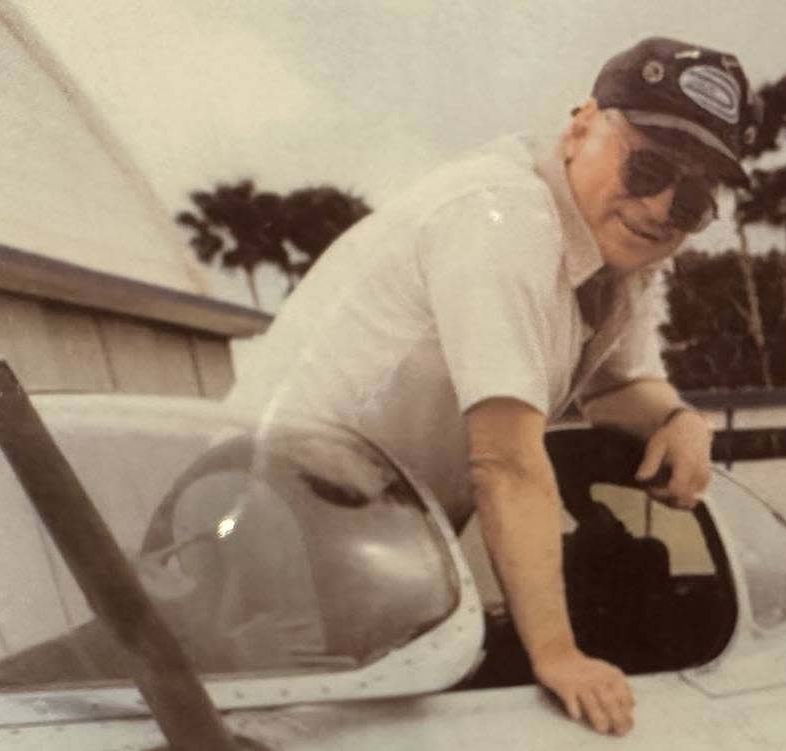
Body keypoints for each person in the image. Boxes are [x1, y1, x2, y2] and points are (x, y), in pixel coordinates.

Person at [228, 36, 758, 736]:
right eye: (649, 166)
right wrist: (560, 654)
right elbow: (505, 461)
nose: (661, 206)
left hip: (360, 557)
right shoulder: (505, 216)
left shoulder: (609, 258)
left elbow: (617, 387)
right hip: (270, 553)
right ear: (579, 128)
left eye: (692, 199)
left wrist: (682, 420)